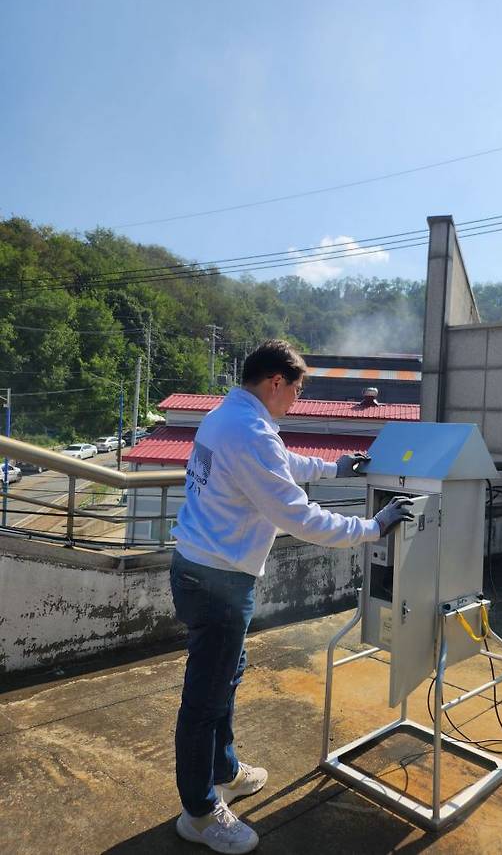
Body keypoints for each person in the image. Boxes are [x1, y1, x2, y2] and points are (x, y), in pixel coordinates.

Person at [170, 339, 413, 853]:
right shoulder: (248, 430)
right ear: (275, 382)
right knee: (205, 699)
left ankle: (225, 769)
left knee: (225, 678)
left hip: (206, 569)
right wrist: (373, 527)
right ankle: (197, 812)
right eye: (297, 390)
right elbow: (299, 517)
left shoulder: (231, 415)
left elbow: (281, 462)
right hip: (217, 580)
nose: (297, 400)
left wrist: (335, 466)